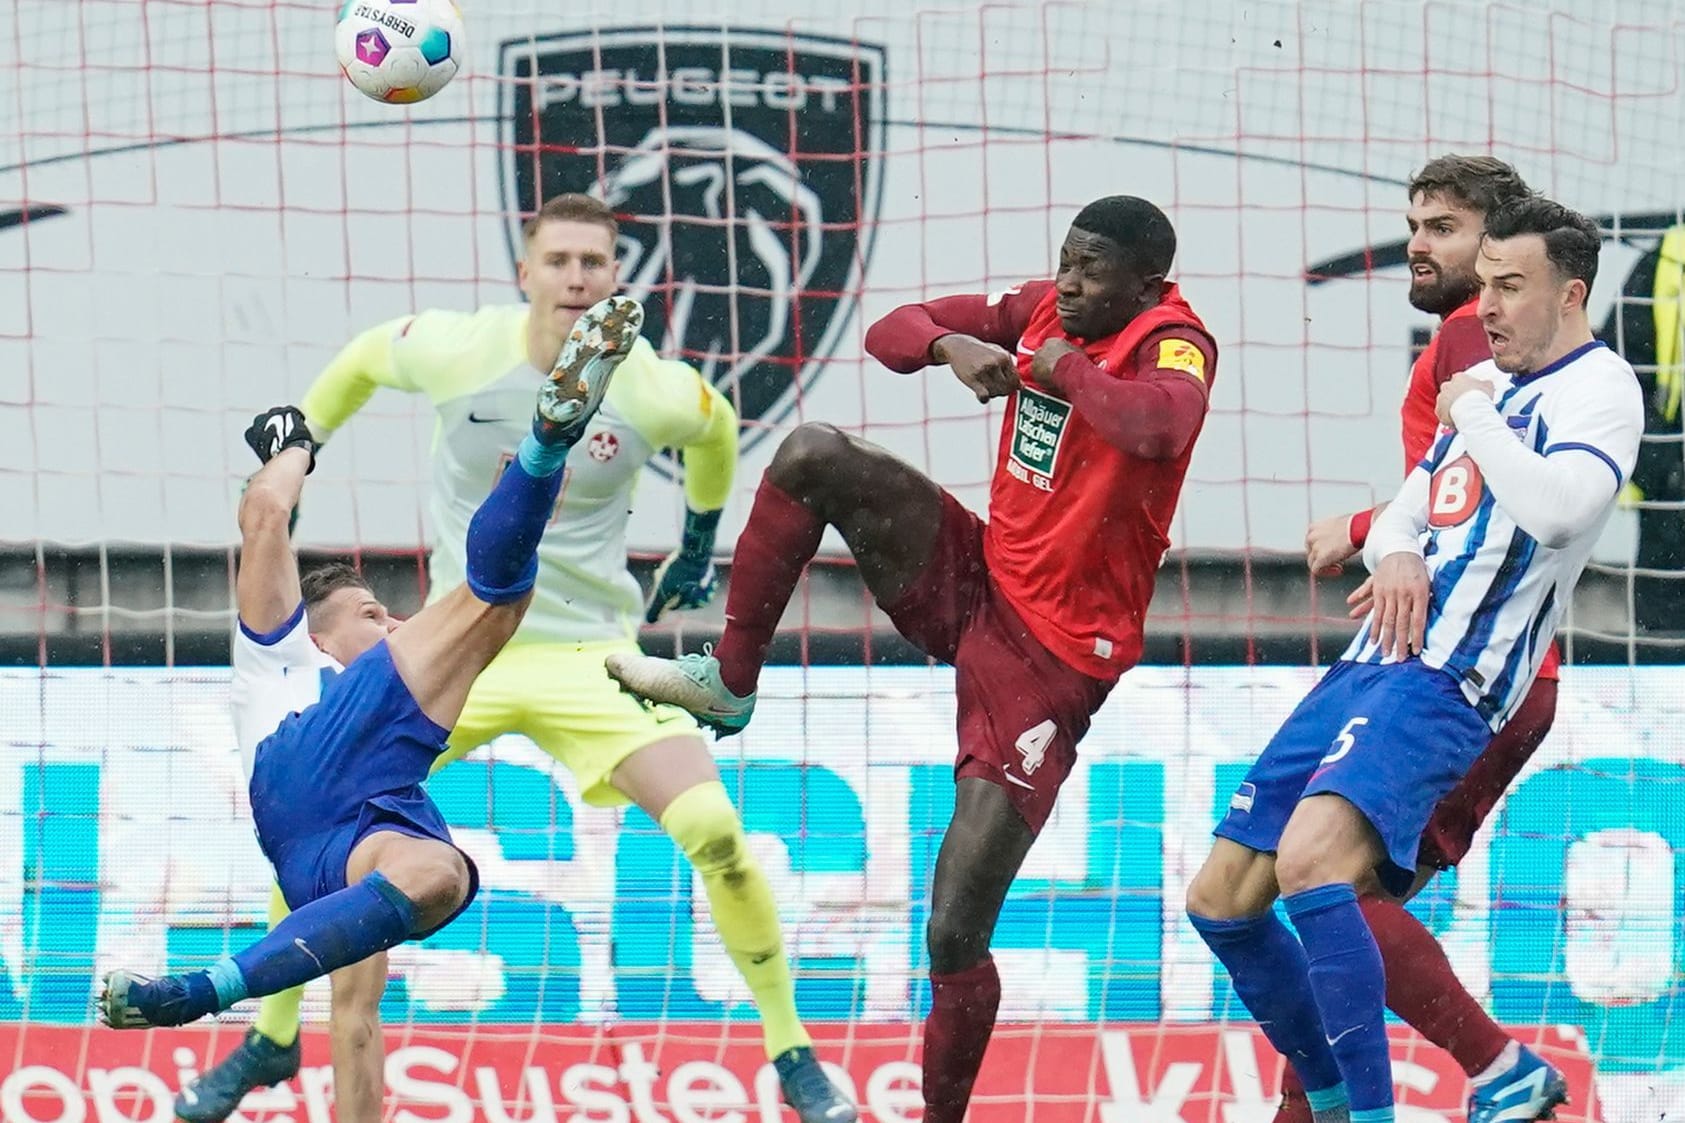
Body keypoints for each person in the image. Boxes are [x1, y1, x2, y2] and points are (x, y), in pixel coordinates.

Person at [175, 194, 854, 1123]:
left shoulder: (652, 385)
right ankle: (271, 1035)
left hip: (592, 657)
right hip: (460, 653)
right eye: (560, 259)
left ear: (618, 278)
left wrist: (699, 539)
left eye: (596, 262)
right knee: (311, 824)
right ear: (525, 273)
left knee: (718, 834)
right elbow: (364, 359)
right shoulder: (459, 350)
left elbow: (717, 430)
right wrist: (305, 458)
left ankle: (792, 1051)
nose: (578, 276)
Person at [608, 195, 1220, 1122]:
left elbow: (1159, 429)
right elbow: (894, 330)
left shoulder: (1174, 342)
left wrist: (1057, 369)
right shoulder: (1039, 308)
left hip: (1052, 661)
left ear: (1145, 283)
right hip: (977, 576)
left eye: (1090, 269)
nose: (1067, 280)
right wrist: (950, 347)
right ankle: (729, 682)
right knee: (813, 453)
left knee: (952, 930)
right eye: (1063, 259)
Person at [100, 297, 643, 1123]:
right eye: (372, 613)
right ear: (322, 629)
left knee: (438, 877)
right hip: (309, 761)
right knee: (494, 594)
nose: (390, 620)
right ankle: (545, 443)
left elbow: (356, 1027)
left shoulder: (381, 727)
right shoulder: (282, 645)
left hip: (340, 841)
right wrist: (292, 447)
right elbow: (264, 513)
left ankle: (199, 991)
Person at [1187, 195, 1643, 1123]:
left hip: (1454, 677)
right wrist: (1393, 546)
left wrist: (1473, 414)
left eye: (1509, 288)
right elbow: (1413, 500)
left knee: (1317, 867)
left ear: (1570, 294)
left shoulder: (1599, 389)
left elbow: (1558, 509)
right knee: (1222, 897)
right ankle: (1329, 1092)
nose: (1487, 307)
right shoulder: (1490, 389)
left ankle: (1370, 1110)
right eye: (1485, 289)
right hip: (1369, 662)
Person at [1290, 155, 1563, 1123]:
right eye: (1412, 221)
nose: (1415, 242)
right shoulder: (1492, 346)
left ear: (1494, 251)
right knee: (1334, 920)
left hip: (1460, 666)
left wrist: (1369, 533)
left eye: (1441, 226)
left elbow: (1479, 483)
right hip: (1482, 662)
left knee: (1313, 889)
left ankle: (1498, 1066)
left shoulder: (1466, 335)